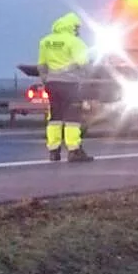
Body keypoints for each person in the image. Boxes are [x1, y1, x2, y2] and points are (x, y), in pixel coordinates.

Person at [37, 11, 94, 162]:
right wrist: (90, 76)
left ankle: (53, 150)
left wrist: (46, 80)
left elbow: (41, 65)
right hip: (70, 85)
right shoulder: (75, 42)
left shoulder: (46, 41)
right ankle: (74, 150)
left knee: (54, 117)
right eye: (77, 28)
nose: (78, 31)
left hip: (52, 84)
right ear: (72, 27)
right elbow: (84, 64)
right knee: (72, 118)